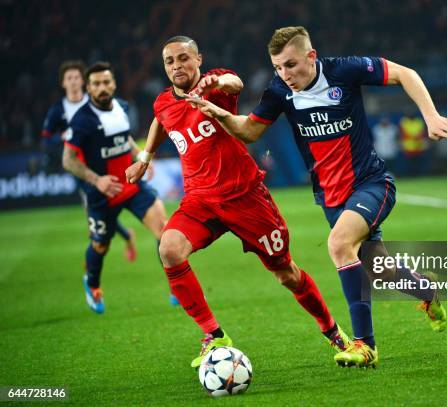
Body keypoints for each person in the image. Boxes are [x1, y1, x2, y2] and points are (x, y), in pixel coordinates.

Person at [187, 26, 447, 368]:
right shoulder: (280, 92)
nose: (285, 75)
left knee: (338, 245)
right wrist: (219, 114)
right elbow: (250, 131)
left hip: (372, 184)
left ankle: (364, 345)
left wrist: (431, 116)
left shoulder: (344, 70)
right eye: (278, 68)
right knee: (380, 270)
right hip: (331, 198)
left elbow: (406, 74)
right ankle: (426, 292)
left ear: (311, 56)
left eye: (291, 65)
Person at [125, 36, 350, 369]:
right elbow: (162, 119)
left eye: (184, 58)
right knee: (169, 249)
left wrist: (217, 82)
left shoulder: (215, 84)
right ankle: (214, 335)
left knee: (286, 274)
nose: (177, 66)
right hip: (200, 201)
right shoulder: (163, 102)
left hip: (246, 198)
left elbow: (235, 83)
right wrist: (145, 156)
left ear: (198, 59)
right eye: (170, 61)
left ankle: (333, 331)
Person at [63, 62, 169, 313]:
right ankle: (93, 284)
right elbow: (67, 160)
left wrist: (141, 156)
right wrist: (96, 180)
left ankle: (177, 284)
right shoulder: (82, 120)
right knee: (101, 246)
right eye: (96, 84)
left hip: (131, 184)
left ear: (113, 84)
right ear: (88, 88)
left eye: (106, 82)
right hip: (102, 194)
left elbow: (124, 138)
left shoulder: (122, 107)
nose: (102, 88)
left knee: (164, 230)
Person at [42, 60, 138, 263]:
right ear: (63, 83)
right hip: (81, 167)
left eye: (77, 77)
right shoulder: (58, 110)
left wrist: (138, 153)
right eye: (70, 78)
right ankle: (123, 236)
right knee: (95, 215)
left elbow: (119, 129)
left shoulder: (97, 101)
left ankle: (120, 237)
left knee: (102, 215)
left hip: (105, 164)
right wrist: (63, 137)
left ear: (84, 82)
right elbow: (46, 138)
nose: (74, 81)